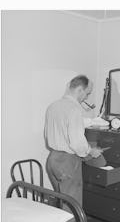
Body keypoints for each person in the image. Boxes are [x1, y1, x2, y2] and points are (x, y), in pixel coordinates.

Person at [44, 75, 106, 208]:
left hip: (52, 160)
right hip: (68, 163)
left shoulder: (53, 106)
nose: (86, 98)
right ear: (79, 90)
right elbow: (77, 143)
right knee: (72, 206)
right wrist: (90, 151)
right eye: (87, 93)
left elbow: (50, 134)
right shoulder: (74, 109)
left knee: (61, 202)